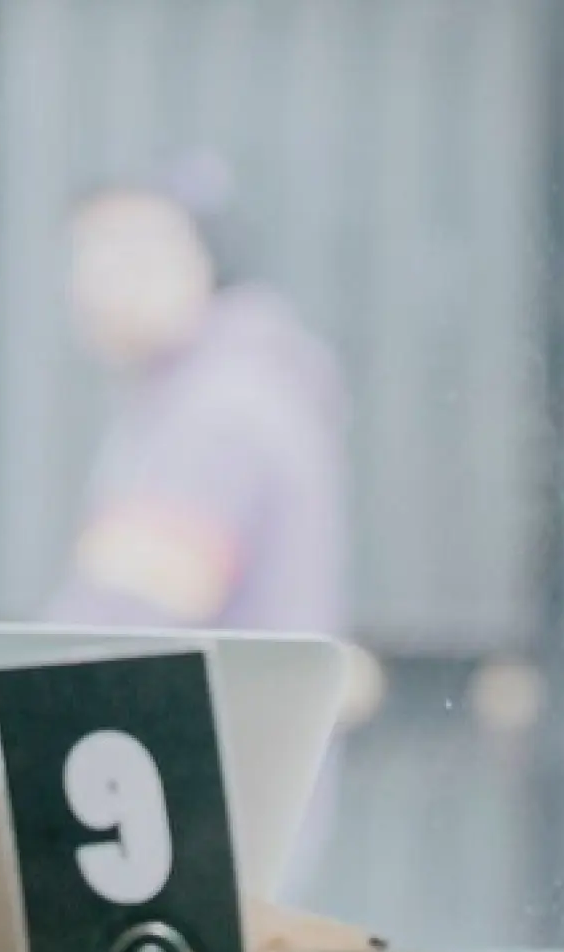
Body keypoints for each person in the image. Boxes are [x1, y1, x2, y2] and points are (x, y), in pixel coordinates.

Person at [44, 160, 350, 637]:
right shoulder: (229, 389)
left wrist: (1, 699)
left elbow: (119, 630)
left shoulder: (218, 413)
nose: (96, 282)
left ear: (207, 263)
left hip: (220, 712)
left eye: (132, 254)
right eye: (87, 253)